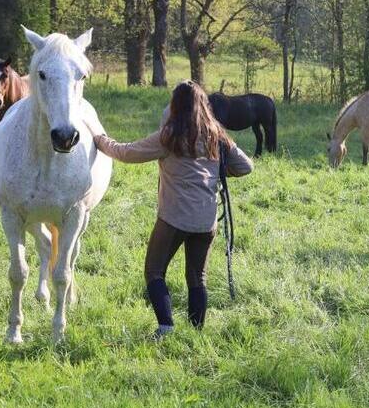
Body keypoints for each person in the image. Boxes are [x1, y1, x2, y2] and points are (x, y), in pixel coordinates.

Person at [85, 80, 253, 338]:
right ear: (203, 106)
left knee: (154, 271)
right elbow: (245, 166)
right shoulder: (217, 136)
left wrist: (100, 140)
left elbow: (127, 153)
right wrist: (214, 174)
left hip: (174, 219)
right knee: (198, 278)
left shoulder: (170, 136)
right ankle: (195, 334)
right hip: (207, 221)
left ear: (174, 106)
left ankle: (166, 328)